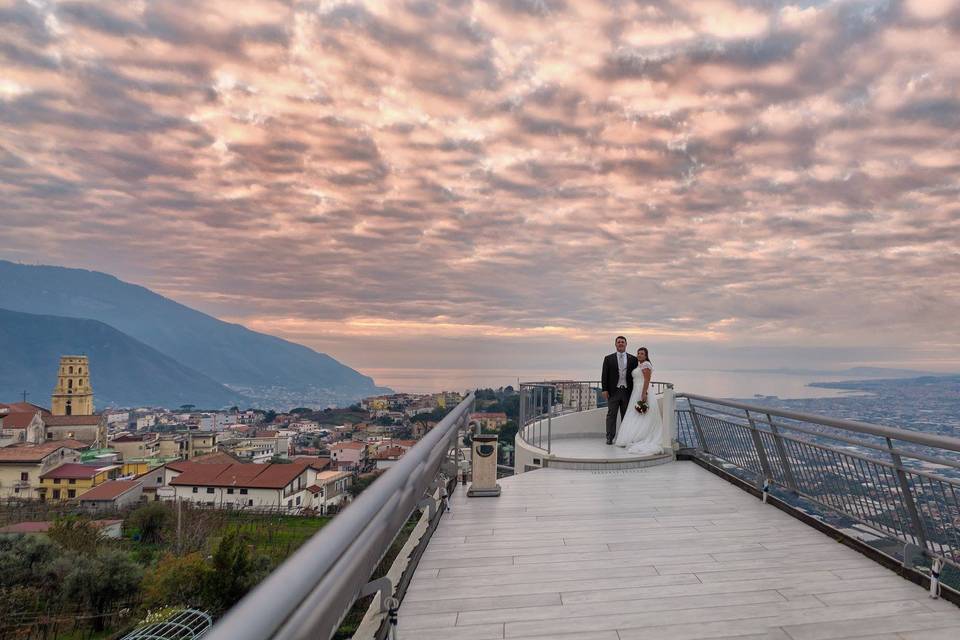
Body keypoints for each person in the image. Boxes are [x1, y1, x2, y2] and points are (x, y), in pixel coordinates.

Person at [614, 347, 664, 456]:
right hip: (635, 391)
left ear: (646, 356)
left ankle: (642, 436)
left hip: (642, 391)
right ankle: (633, 437)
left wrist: (644, 393)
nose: (640, 355)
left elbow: (647, 379)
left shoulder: (646, 364)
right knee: (635, 414)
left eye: (642, 354)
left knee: (643, 415)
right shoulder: (639, 365)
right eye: (638, 353)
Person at [600, 336, 638, 445]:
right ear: (615, 344)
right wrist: (604, 389)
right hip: (613, 391)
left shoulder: (633, 359)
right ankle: (609, 437)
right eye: (618, 342)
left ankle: (624, 438)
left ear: (626, 344)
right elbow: (604, 375)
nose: (620, 344)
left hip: (627, 391)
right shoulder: (608, 358)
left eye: (622, 342)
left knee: (626, 416)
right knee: (611, 415)